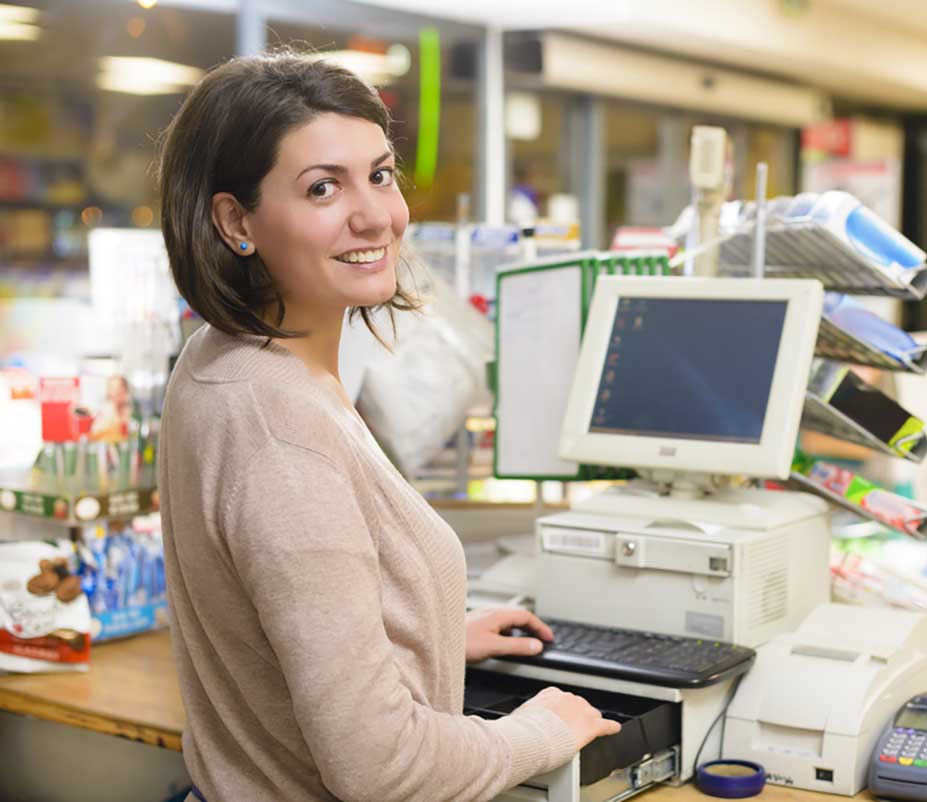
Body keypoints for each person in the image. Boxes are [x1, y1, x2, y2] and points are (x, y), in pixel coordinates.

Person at [154, 53, 619, 802]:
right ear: (235, 220)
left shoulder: (220, 361)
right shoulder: (281, 429)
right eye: (322, 188)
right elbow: (380, 769)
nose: (376, 215)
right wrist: (540, 732)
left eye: (379, 173)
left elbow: (275, 610)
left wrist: (431, 640)